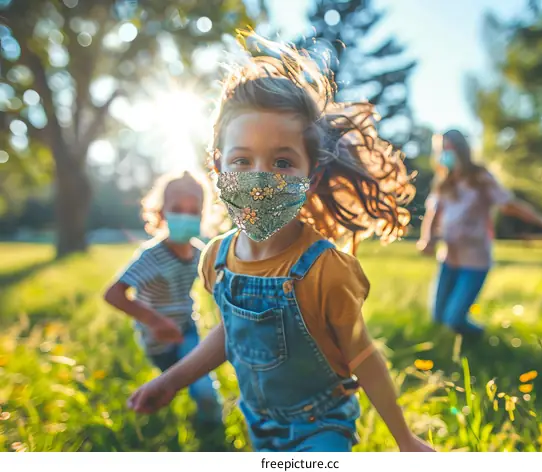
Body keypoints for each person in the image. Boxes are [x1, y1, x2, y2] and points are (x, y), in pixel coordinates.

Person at [127, 33, 433, 453]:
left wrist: (406, 439)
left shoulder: (326, 270)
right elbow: (230, 335)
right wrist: (172, 380)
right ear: (217, 167)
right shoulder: (216, 259)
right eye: (242, 160)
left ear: (314, 176)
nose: (260, 178)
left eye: (283, 162)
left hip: (321, 425)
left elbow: (363, 357)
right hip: (259, 425)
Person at [104, 171, 223, 430]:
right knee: (170, 384)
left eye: (194, 210)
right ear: (161, 213)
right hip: (157, 339)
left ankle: (212, 430)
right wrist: (155, 321)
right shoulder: (151, 256)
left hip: (187, 330)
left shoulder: (200, 255)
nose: (186, 215)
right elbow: (113, 294)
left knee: (203, 387)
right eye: (178, 209)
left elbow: (218, 285)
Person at [417, 129, 542, 335]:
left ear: (462, 150)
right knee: (438, 317)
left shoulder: (480, 178)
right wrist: (428, 239)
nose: (445, 154)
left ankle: (480, 336)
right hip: (449, 259)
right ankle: (456, 346)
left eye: (449, 148)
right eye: (442, 150)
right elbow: (433, 213)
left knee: (453, 320)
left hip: (475, 262)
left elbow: (509, 205)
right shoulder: (443, 182)